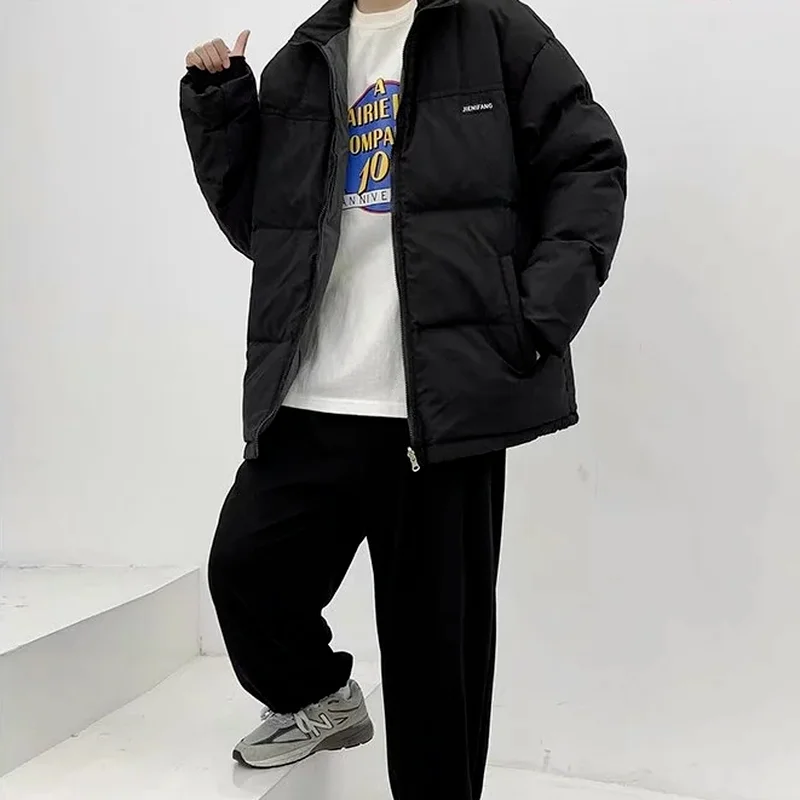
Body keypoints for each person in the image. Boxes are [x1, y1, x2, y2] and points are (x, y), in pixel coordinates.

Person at [180, 0, 626, 797]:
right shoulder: (305, 57)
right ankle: (319, 698)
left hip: (440, 403)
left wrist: (534, 318)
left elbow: (588, 163)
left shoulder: (494, 30)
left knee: (435, 667)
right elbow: (267, 229)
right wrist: (222, 111)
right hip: (315, 390)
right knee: (244, 572)